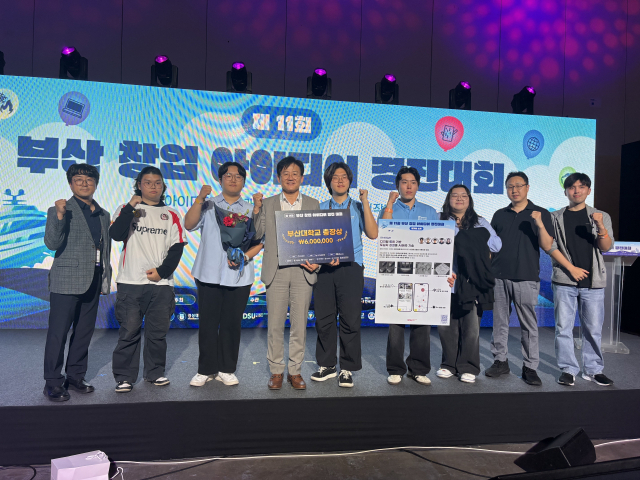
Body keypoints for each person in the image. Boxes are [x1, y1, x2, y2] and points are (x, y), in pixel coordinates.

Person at [184, 162, 263, 387]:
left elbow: (259, 241)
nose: (233, 179)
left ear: (244, 182)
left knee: (231, 324)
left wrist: (243, 257)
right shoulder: (208, 205)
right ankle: (205, 369)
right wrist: (199, 198)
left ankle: (227, 369)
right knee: (207, 324)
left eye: (238, 176)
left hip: (238, 276)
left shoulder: (250, 209)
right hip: (208, 274)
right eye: (228, 175)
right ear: (220, 180)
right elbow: (188, 224)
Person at [109, 166, 186, 393]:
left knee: (157, 333)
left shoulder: (172, 214)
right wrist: (131, 207)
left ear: (163, 186)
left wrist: (162, 272)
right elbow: (116, 235)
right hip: (131, 282)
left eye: (157, 183)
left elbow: (177, 248)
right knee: (129, 331)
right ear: (139, 185)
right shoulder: (126, 209)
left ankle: (154, 373)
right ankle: (124, 377)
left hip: (161, 284)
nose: (153, 186)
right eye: (148, 182)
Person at [43, 163, 111, 402]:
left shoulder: (103, 214)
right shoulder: (59, 209)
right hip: (66, 280)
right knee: (58, 333)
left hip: (93, 278)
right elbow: (52, 243)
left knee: (83, 333)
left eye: (89, 179)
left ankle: (75, 376)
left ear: (96, 184)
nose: (84, 183)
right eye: (79, 179)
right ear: (71, 184)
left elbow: (103, 250)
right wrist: (60, 216)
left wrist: (105, 278)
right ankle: (52, 382)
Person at [253, 156, 320, 390]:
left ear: (302, 178)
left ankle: (295, 371)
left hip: (303, 271)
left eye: (295, 173)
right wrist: (256, 209)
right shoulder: (268, 203)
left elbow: (318, 240)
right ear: (279, 177)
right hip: (277, 270)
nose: (290, 177)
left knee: (299, 325)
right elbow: (256, 234)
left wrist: (317, 264)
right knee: (275, 325)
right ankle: (276, 371)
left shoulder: (313, 204)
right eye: (285, 173)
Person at [310, 162, 378, 388]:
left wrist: (365, 202)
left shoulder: (358, 206)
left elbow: (373, 234)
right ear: (328, 182)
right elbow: (313, 240)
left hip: (351, 267)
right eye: (335, 177)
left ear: (350, 181)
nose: (340, 180)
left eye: (344, 177)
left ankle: (347, 368)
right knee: (324, 318)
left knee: (350, 318)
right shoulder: (319, 208)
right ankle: (327, 365)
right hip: (325, 268)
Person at [543, 173, 614, 387]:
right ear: (565, 191)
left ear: (588, 191)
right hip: (565, 279)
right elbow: (550, 247)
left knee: (592, 328)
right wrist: (571, 269)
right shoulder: (555, 217)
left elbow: (606, 247)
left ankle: (593, 369)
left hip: (593, 281)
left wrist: (600, 226)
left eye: (581, 186)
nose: (576, 190)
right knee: (563, 327)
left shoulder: (601, 215)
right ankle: (568, 369)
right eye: (572, 187)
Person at [486, 172, 554, 386]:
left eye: (518, 185)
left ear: (527, 187)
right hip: (499, 276)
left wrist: (539, 224)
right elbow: (491, 246)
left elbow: (547, 245)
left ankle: (530, 367)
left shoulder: (540, 213)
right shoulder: (499, 214)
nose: (514, 190)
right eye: (510, 186)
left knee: (528, 324)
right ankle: (500, 361)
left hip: (525, 276)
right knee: (500, 322)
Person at [378, 166, 439, 386]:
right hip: (396, 273)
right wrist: (389, 203)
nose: (408, 186)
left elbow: (438, 244)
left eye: (412, 182)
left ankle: (418, 369)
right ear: (398, 185)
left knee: (422, 322)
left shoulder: (430, 211)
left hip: (423, 274)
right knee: (396, 324)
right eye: (404, 182)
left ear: (418, 186)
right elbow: (382, 232)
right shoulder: (389, 209)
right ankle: (395, 368)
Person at [437, 184, 501, 383]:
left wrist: (472, 237)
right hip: (445, 279)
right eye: (455, 195)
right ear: (448, 199)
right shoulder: (439, 220)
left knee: (471, 327)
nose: (459, 199)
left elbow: (496, 244)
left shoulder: (479, 222)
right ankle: (448, 364)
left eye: (463, 195)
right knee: (446, 327)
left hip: (472, 281)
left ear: (469, 199)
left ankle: (469, 366)